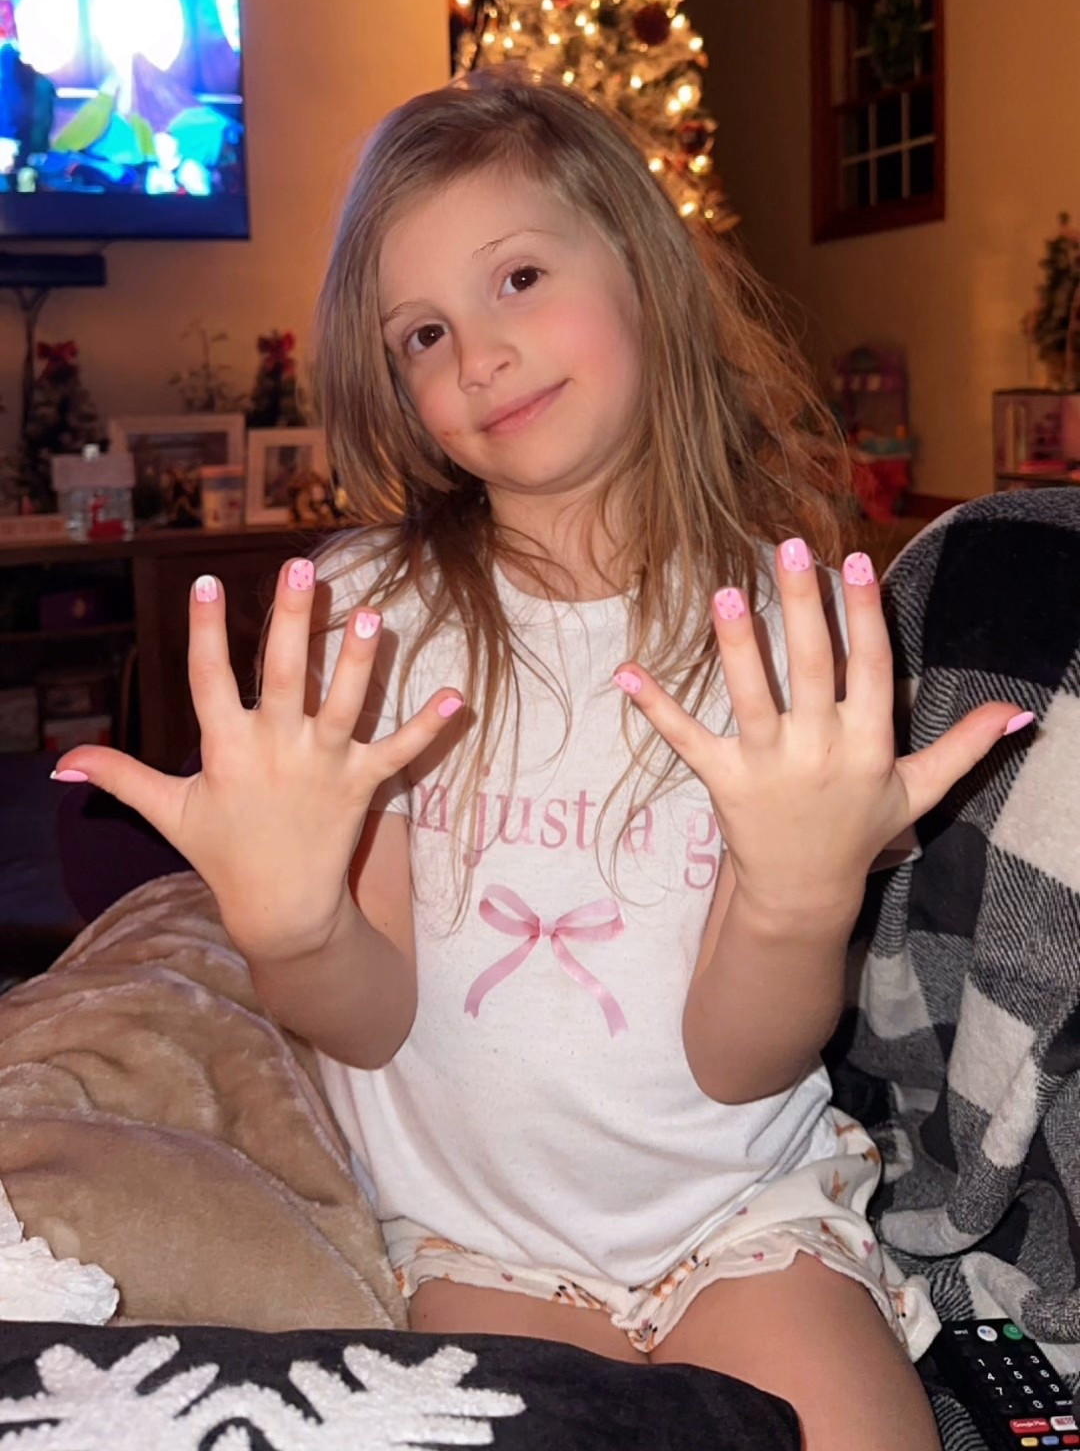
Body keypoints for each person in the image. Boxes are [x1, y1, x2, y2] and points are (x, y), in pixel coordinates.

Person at [52, 72, 1032, 1449]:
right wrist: (289, 925)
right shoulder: (369, 614)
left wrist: (800, 900)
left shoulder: (780, 617)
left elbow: (742, 1059)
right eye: (423, 333)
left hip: (747, 1220)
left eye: (518, 276)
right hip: (477, 1254)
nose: (478, 356)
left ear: (639, 267)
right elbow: (367, 1016)